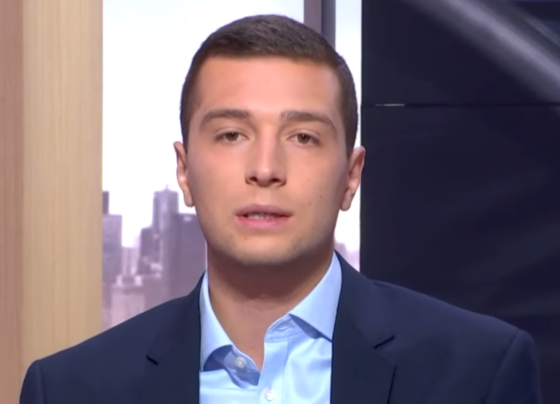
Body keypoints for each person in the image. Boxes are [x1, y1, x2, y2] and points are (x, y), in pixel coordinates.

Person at [20, 14, 542, 404]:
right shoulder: (71, 389)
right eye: (231, 134)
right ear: (184, 170)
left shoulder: (477, 373)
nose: (266, 168)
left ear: (351, 175)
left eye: (303, 137)